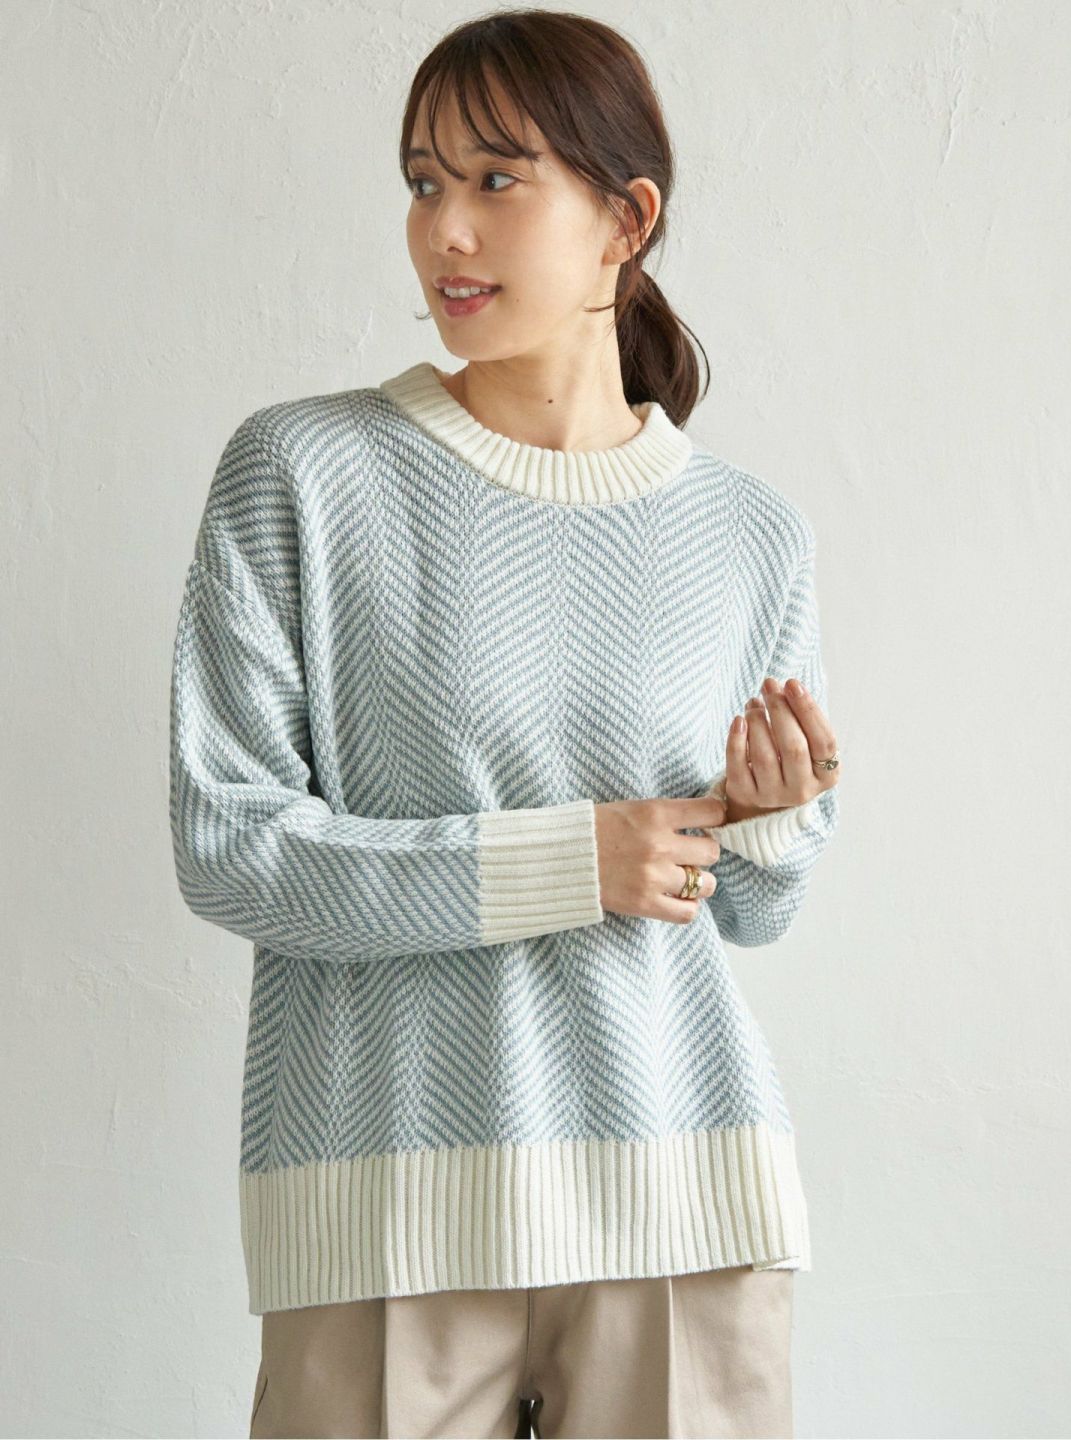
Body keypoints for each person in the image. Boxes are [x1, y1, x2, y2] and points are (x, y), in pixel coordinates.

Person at [167, 9, 843, 1437]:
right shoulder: (305, 472)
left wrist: (772, 823)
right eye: (423, 182)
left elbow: (754, 914)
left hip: (684, 1197)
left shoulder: (747, 533)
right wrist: (571, 860)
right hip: (381, 1203)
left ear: (625, 221)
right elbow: (231, 847)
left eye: (494, 179)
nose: (445, 231)